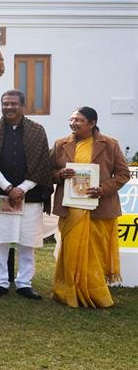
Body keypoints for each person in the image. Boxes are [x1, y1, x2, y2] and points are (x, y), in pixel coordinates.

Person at [50, 107, 129, 308]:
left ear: (92, 123)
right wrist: (60, 174)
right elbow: (48, 171)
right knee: (71, 250)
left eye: (79, 120)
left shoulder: (110, 144)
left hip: (99, 208)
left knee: (94, 253)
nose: (73, 123)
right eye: (72, 119)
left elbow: (123, 174)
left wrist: (102, 189)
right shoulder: (61, 144)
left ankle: (95, 293)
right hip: (70, 209)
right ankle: (68, 291)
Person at [0, 90, 53, 299]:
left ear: (23, 106)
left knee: (26, 241)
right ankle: (0, 282)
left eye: (13, 104)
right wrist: (8, 188)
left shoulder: (37, 131)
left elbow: (42, 164)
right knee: (0, 240)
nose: (9, 108)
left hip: (30, 196)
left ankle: (24, 283)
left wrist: (23, 189)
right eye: (5, 104)